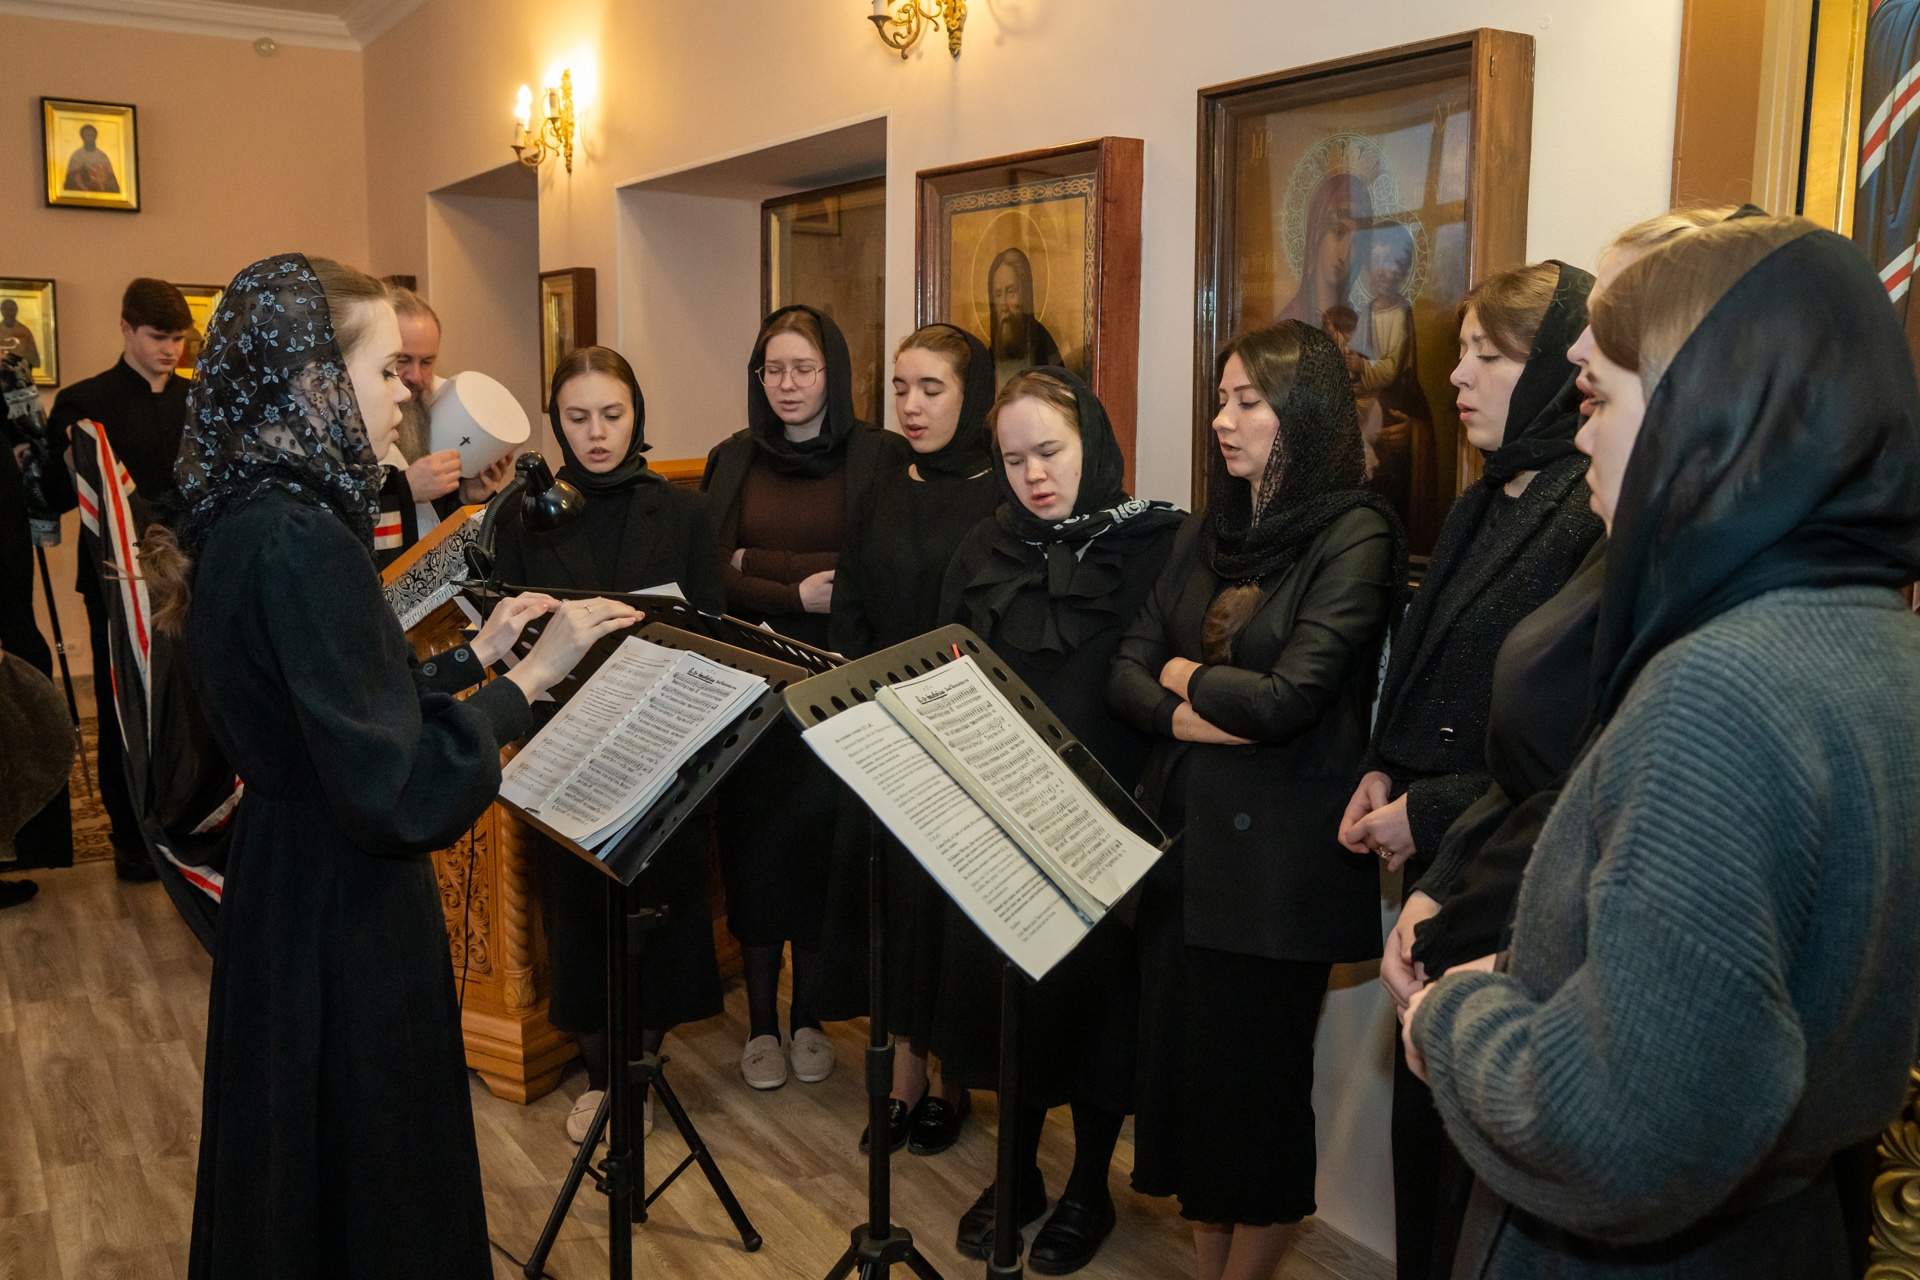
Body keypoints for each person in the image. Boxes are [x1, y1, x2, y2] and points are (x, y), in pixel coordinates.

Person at [1405, 216, 1920, 1279]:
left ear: (1706, 415)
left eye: (1595, 400)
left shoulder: (1721, 686)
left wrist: (1457, 1014)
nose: (1580, 436)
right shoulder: (1879, 637)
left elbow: (1621, 1130)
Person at [140, 253, 630, 1278]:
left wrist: (472, 656)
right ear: (308, 383)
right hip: (343, 905)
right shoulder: (302, 536)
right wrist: (527, 682)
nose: (408, 401)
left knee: (297, 1171)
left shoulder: (249, 512)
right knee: (373, 1179)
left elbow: (327, 705)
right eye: (382, 376)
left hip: (287, 875)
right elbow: (394, 788)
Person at [1109, 321, 1402, 1280]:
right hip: (1184, 844)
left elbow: (1292, 700)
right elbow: (1126, 671)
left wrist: (1180, 681)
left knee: (1256, 1100)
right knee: (1193, 1094)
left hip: (1279, 870)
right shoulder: (1209, 526)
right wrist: (1191, 706)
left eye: (1247, 402)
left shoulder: (1356, 530)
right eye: (1221, 398)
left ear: (1304, 413)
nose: (1221, 420)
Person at [1334, 259, 1604, 1279]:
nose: (1459, 376)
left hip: (1508, 881)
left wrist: (1430, 809)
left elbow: (1566, 738)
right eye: (1460, 352)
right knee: (1423, 1159)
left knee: (1471, 1194)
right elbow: (1433, 659)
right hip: (1435, 860)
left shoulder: (1588, 507)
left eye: (1489, 356)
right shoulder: (1488, 492)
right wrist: (1380, 764)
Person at [932, 367, 1183, 1271]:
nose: (1035, 474)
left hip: (1109, 811)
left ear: (1094, 444)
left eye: (1052, 451)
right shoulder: (981, 547)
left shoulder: (1159, 542)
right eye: (1015, 458)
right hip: (1001, 817)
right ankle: (1016, 1171)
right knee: (1011, 1000)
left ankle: (1086, 1187)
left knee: (1099, 1007)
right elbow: (942, 668)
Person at [492, 344, 727, 1146]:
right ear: (555, 419)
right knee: (579, 917)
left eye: (613, 415)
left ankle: (643, 1073)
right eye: (578, 416)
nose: (597, 433)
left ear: (638, 416)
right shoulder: (522, 514)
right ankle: (602, 1079)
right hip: (569, 743)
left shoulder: (686, 513)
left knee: (660, 912)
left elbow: (714, 631)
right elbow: (507, 631)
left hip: (662, 740)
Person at [702, 305, 905, 1091]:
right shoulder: (730, 458)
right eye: (773, 370)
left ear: (835, 374)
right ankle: (759, 1025)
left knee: (822, 854)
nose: (787, 386)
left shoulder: (878, 458)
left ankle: (810, 1016)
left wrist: (761, 564)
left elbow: (876, 565)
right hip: (751, 697)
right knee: (754, 858)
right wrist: (794, 583)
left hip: (839, 692)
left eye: (804, 369)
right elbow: (710, 573)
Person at [825, 322, 1001, 1156]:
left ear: (974, 397)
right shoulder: (882, 488)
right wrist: (869, 703)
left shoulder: (1004, 497)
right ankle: (902, 1076)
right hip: (886, 734)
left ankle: (950, 1079)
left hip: (967, 742)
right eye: (900, 387)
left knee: (953, 915)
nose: (912, 405)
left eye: (932, 388)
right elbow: (852, 603)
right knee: (896, 914)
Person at [47, 277, 195, 882]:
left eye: (180, 339)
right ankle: (131, 837)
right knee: (122, 705)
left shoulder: (201, 398)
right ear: (126, 329)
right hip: (118, 580)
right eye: (158, 337)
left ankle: (193, 820)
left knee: (193, 701)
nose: (171, 350)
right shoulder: (84, 404)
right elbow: (60, 498)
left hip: (191, 576)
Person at [372, 287, 513, 565]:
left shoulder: (443, 406)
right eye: (402, 360)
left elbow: (443, 533)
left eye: (427, 362)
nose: (416, 376)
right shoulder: (356, 413)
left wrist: (467, 497)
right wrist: (405, 489)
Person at [1278, 172, 1372, 331]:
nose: (1344, 255)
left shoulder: (1357, 327)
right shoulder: (1289, 322)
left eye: (1356, 243)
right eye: (1339, 232)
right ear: (1317, 234)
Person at [987, 248, 1065, 387]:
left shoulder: (1045, 348)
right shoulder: (988, 358)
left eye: (1011, 292)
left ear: (1025, 294)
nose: (1003, 305)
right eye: (998, 294)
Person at [64, 124, 120, 193]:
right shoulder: (77, 156)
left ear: (96, 137)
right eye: (87, 135)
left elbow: (111, 180)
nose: (90, 138)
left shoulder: (102, 156)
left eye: (92, 135)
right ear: (82, 137)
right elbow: (70, 180)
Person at [0, 300, 40, 373]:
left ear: (16, 311)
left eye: (11, 309)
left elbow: (33, 358)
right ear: (1, 311)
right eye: (5, 309)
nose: (8, 312)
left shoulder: (24, 332)